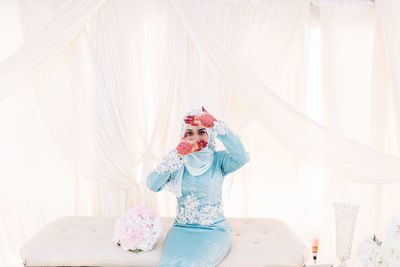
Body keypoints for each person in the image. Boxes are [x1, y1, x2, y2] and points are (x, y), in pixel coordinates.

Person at [147, 106, 250, 266]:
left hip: (214, 230)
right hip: (181, 229)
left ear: (209, 134)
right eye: (190, 133)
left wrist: (216, 125)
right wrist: (177, 155)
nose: (196, 138)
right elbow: (152, 185)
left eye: (202, 132)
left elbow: (242, 157)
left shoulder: (218, 160)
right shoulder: (177, 161)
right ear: (183, 135)